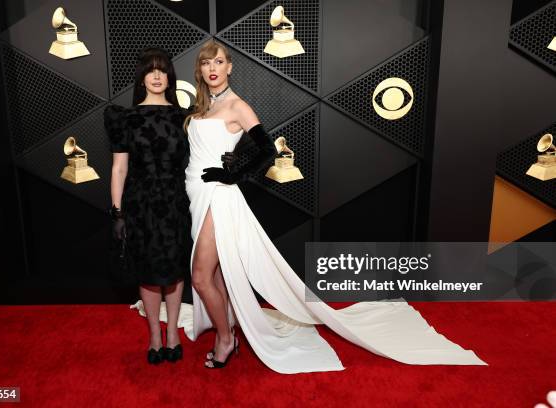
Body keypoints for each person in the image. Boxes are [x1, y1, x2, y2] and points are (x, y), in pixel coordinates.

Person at [182, 39, 487, 372]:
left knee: (200, 277)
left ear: (229, 67)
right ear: (199, 69)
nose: (213, 69)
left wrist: (234, 174)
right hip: (196, 194)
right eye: (206, 63)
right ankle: (229, 331)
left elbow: (268, 149)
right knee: (217, 272)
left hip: (219, 197)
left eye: (219, 62)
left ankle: (225, 339)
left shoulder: (237, 106)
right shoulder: (202, 108)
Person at [104, 47, 190, 365]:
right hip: (140, 205)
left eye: (162, 69)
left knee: (174, 270)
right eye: (150, 70)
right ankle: (155, 333)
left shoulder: (186, 117)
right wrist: (117, 211)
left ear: (169, 76)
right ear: (141, 77)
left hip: (177, 203)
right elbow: (119, 169)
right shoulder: (124, 118)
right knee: (150, 272)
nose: (156, 75)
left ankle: (172, 333)